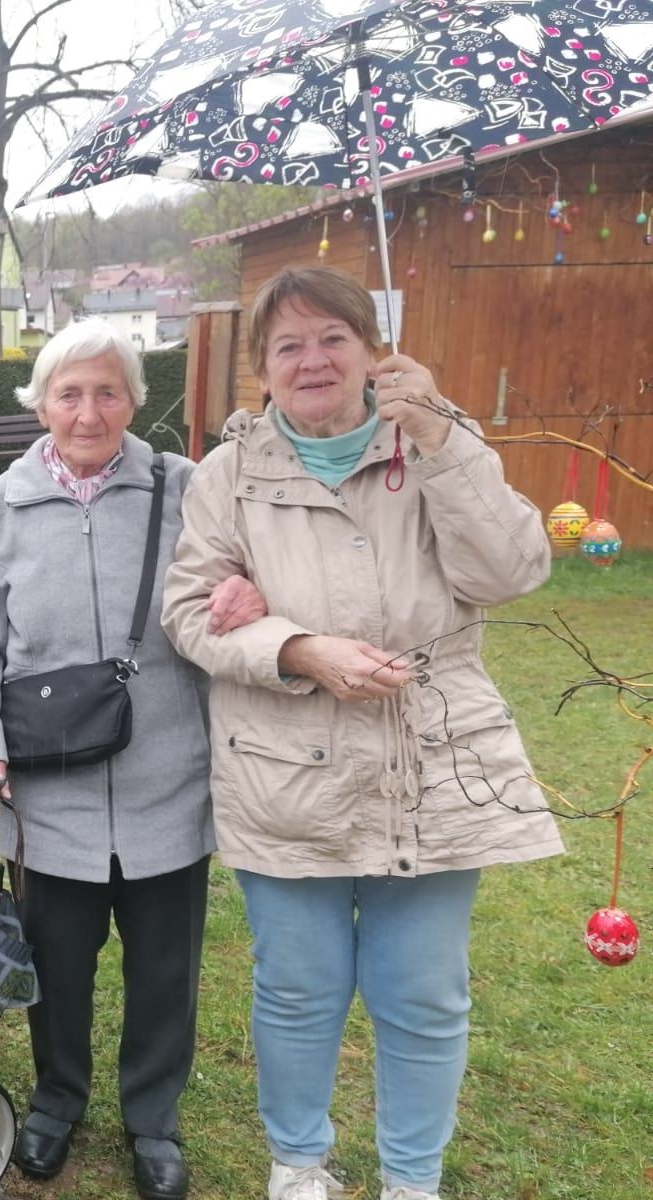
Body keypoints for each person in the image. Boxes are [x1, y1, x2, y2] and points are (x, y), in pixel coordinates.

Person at [161, 266, 564, 1200]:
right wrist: (295, 646)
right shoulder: (230, 473)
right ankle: (298, 1165)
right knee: (297, 989)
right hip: (283, 765)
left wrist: (437, 438)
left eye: (333, 337)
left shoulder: (435, 441)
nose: (313, 360)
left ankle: (410, 1180)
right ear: (263, 367)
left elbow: (510, 571)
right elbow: (188, 611)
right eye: (288, 345)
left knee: (422, 993)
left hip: (427, 758)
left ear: (369, 348)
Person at [0, 320, 264, 1200]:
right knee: (56, 967)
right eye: (69, 393)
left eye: (107, 392)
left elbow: (244, 564)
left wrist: (250, 587)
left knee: (166, 970)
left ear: (133, 399)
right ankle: (55, 1101)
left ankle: (153, 1118)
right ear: (41, 402)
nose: (87, 412)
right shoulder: (3, 505)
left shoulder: (182, 486)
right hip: (49, 793)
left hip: (168, 774)